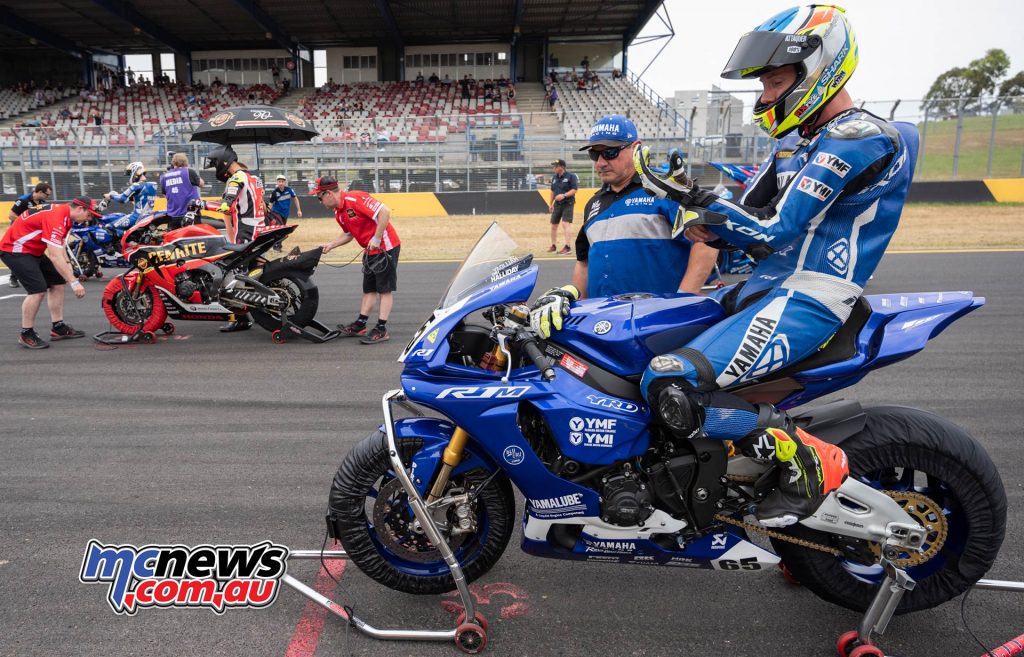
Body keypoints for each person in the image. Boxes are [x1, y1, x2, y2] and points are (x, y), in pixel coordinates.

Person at [621, 5, 917, 527]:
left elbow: (775, 227)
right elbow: (752, 231)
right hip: (765, 287)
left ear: (819, 68)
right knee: (634, 339)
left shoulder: (858, 136)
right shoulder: (800, 145)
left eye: (775, 82)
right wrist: (706, 226)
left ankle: (805, 456)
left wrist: (691, 194)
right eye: (763, 84)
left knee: (670, 380)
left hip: (811, 297)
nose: (764, 97)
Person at [0, 197, 101, 348]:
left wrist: (68, 265)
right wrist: (74, 282)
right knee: (37, 290)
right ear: (80, 209)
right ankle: (26, 333)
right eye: (89, 215)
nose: (89, 219)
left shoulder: (65, 215)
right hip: (14, 250)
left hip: (32, 250)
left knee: (57, 282)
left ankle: (58, 327)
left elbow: (59, 246)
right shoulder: (58, 217)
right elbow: (54, 256)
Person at [313, 176, 400, 344]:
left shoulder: (356, 198)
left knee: (384, 289)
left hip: (386, 246)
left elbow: (385, 212)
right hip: (370, 250)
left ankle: (382, 329)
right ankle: (360, 324)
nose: (319, 201)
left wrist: (376, 238)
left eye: (319, 196)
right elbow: (348, 234)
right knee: (369, 289)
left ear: (329, 193)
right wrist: (331, 245)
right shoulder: (338, 213)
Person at [203, 144, 267, 332]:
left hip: (246, 230)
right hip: (258, 227)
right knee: (254, 267)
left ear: (224, 161)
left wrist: (200, 204)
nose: (217, 169)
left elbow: (225, 206)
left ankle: (242, 318)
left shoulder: (235, 179)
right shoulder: (254, 177)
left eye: (216, 164)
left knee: (231, 276)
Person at [6, 182, 53, 288]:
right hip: (18, 232)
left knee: (35, 253)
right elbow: (11, 215)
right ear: (40, 192)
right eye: (47, 194)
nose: (48, 197)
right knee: (19, 255)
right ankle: (13, 278)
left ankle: (41, 276)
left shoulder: (42, 202)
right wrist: (26, 223)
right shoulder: (23, 200)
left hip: (31, 232)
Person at [158, 153, 204, 229]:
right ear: (185, 162)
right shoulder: (188, 172)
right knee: (193, 238)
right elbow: (202, 184)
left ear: (173, 162)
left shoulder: (164, 176)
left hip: (172, 215)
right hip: (190, 214)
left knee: (174, 239)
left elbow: (165, 195)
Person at [547, 159, 578, 254]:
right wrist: (550, 203)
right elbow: (552, 191)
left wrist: (563, 195)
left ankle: (568, 247)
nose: (554, 168)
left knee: (565, 224)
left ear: (562, 167)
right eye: (554, 166)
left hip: (568, 203)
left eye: (556, 166)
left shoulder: (571, 176)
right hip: (557, 204)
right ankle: (553, 245)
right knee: (553, 225)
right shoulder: (554, 178)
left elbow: (574, 189)